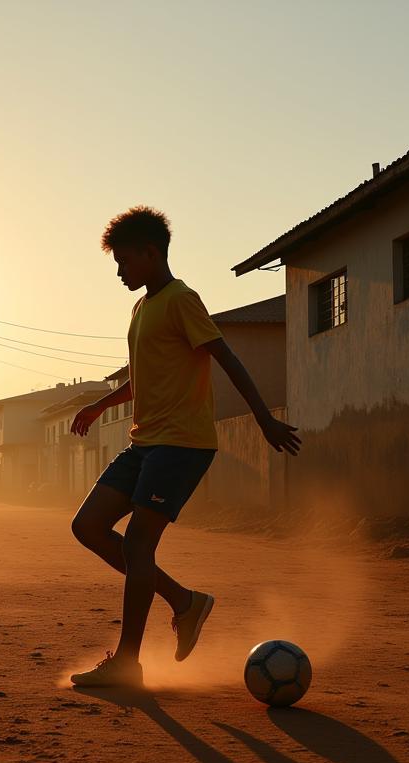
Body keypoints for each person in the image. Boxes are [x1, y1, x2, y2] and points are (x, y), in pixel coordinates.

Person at [69, 206, 301, 687]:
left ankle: (127, 664)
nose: (119, 272)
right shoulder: (141, 308)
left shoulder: (182, 300)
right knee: (88, 525)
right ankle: (184, 602)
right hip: (145, 442)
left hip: (181, 443)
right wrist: (98, 406)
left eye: (125, 261)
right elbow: (141, 377)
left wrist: (264, 420)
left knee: (137, 545)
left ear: (151, 254)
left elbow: (227, 358)